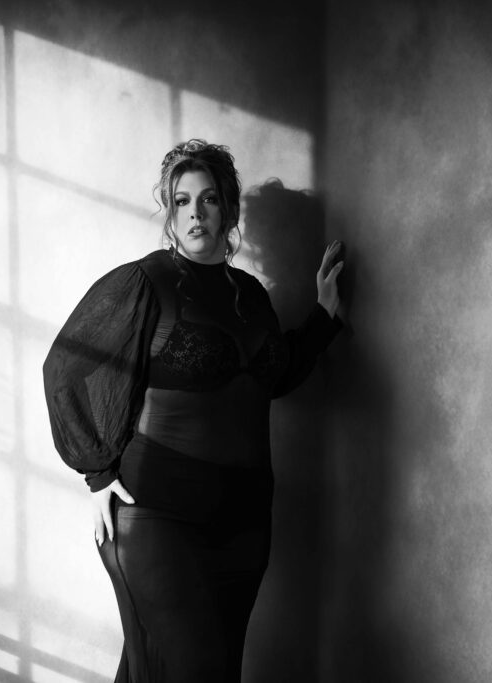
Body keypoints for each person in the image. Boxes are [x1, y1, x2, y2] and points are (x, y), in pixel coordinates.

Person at [43, 139, 344, 682]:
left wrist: (324, 316)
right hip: (160, 518)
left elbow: (270, 378)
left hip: (245, 525)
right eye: (181, 201)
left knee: (193, 673)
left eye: (207, 200)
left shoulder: (250, 296)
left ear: (228, 210)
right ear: (170, 213)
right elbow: (65, 369)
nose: (194, 213)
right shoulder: (147, 282)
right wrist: (97, 473)